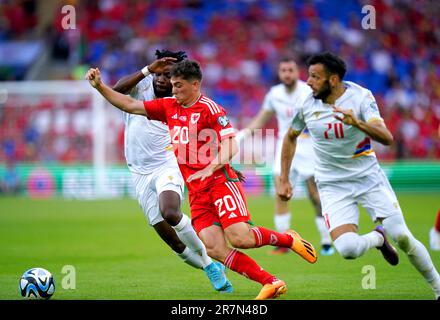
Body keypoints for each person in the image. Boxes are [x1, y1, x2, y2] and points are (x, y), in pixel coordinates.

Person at [86, 59, 318, 300]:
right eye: (172, 85)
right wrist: (100, 87)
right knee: (214, 247)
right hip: (197, 191)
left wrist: (211, 167)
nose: (172, 90)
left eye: (178, 85)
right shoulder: (169, 106)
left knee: (241, 238)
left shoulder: (210, 109)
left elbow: (230, 143)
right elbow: (130, 104)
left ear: (195, 85)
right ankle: (271, 282)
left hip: (220, 182)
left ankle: (289, 239)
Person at [277, 52, 440, 299]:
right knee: (348, 249)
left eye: (314, 77)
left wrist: (358, 124)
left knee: (404, 237)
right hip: (332, 185)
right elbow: (290, 137)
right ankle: (377, 238)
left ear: (332, 80)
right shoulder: (306, 103)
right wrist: (284, 178)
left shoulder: (361, 97)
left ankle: (438, 289)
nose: (308, 82)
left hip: (368, 178)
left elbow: (386, 137)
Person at [109, 49, 232, 293]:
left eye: (169, 76)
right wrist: (147, 70)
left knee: (171, 212)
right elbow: (116, 91)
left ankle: (212, 260)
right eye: (160, 74)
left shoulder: (180, 100)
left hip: (167, 163)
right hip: (139, 172)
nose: (163, 80)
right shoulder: (140, 86)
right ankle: (210, 266)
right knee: (173, 241)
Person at [237, 57, 334, 256]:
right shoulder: (274, 94)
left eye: (290, 70)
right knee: (281, 195)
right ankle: (284, 242)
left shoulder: (309, 91)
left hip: (309, 148)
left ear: (297, 72)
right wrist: (243, 134)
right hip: (285, 148)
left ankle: (325, 240)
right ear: (279, 73)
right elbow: (262, 118)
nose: (287, 74)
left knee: (315, 196)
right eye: (283, 70)